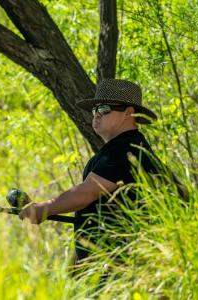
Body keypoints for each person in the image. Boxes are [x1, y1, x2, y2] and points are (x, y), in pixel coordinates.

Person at [18, 79, 182, 265]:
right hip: (111, 263)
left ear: (128, 113)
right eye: (95, 109)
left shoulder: (124, 149)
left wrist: (41, 210)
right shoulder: (127, 146)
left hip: (121, 265)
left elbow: (86, 193)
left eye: (104, 109)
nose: (96, 114)